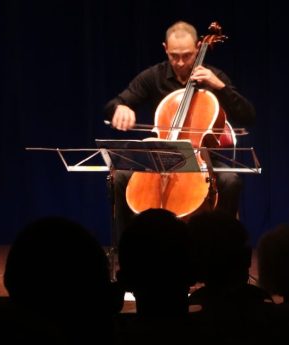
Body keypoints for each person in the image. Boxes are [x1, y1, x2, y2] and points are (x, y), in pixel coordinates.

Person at [103, 21, 256, 237]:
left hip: (200, 160)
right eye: (174, 56)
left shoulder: (213, 77)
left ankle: (222, 249)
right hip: (159, 160)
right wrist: (121, 108)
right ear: (165, 48)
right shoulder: (153, 76)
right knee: (119, 178)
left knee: (231, 181)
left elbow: (248, 115)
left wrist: (220, 87)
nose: (181, 63)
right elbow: (114, 103)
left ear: (197, 48)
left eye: (187, 55)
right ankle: (127, 252)